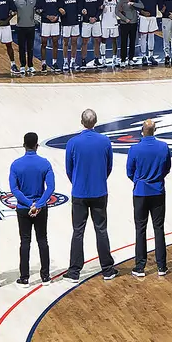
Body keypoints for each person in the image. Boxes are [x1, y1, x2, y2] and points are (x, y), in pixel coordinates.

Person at [64, 109, 117, 280]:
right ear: (96, 122)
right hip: (99, 191)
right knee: (101, 230)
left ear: (81, 121)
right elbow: (109, 166)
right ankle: (107, 269)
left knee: (78, 231)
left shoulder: (73, 143)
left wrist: (78, 182)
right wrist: (100, 180)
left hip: (79, 192)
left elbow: (68, 169)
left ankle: (74, 272)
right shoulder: (105, 141)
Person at [125, 118, 172, 277]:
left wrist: (139, 181)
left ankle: (140, 267)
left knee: (140, 229)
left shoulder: (134, 149)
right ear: (155, 130)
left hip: (140, 193)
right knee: (159, 228)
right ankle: (162, 266)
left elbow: (129, 172)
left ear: (142, 130)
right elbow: (167, 168)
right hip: (158, 191)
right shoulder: (163, 147)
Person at [9, 131, 54, 284]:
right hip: (40, 209)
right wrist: (38, 204)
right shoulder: (45, 163)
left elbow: (14, 189)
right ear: (37, 145)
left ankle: (24, 277)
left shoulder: (16, 164)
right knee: (42, 240)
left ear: (23, 145)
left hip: (23, 208)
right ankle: (46, 276)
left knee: (25, 241)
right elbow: (51, 187)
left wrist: (29, 204)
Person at [12, 0, 38, 75]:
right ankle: (22, 65)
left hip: (31, 26)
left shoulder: (34, 0)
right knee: (21, 47)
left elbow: (39, 8)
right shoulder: (16, 1)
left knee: (30, 47)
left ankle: (31, 65)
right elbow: (12, 10)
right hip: (21, 27)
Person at [36, 0, 61, 72]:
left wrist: (57, 16)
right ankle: (43, 63)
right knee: (44, 43)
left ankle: (54, 63)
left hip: (55, 22)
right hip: (45, 22)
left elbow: (60, 8)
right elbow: (37, 10)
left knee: (55, 42)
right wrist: (47, 16)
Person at [114, 0, 139, 68]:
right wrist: (125, 19)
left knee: (132, 41)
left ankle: (131, 59)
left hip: (134, 23)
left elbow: (141, 6)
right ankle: (123, 59)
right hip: (124, 24)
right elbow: (117, 11)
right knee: (123, 42)